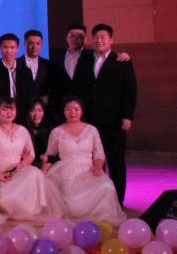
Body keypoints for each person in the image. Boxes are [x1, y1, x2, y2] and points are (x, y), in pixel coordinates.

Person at [76, 23, 137, 204]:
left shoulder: (122, 61)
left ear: (111, 40)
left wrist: (127, 116)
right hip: (90, 121)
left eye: (103, 37)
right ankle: (98, 200)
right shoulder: (85, 59)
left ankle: (117, 201)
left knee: (116, 161)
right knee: (94, 161)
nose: (99, 40)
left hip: (114, 121)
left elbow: (130, 91)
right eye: (96, 37)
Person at [42, 96, 127, 224]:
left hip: (88, 169)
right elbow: (50, 154)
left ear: (82, 111)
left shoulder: (92, 130)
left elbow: (99, 153)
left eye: (76, 109)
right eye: (68, 109)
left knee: (106, 187)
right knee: (63, 194)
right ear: (63, 111)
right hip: (65, 170)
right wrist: (44, 171)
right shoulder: (56, 132)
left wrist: (98, 167)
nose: (72, 112)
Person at [0, 98, 63, 222]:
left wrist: (23, 164)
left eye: (12, 109)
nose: (9, 113)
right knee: (6, 200)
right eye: (5, 109)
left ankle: (32, 210)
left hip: (18, 170)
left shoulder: (22, 130)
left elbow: (31, 154)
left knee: (35, 173)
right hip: (0, 172)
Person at [0, 33, 33, 120]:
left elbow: (30, 95)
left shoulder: (26, 71)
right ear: (0, 48)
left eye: (12, 47)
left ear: (17, 48)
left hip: (22, 115)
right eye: (5, 47)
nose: (8, 51)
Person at [23, 30, 51, 105]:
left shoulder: (48, 65)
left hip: (42, 107)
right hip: (22, 106)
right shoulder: (16, 63)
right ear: (25, 43)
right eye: (31, 43)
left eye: (38, 44)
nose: (34, 47)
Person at [27, 100, 54, 166]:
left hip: (47, 165)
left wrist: (48, 159)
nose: (36, 114)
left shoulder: (51, 130)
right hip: (28, 165)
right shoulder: (23, 130)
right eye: (32, 110)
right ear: (27, 112)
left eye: (40, 110)